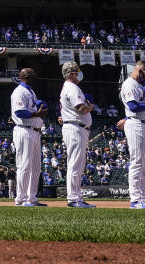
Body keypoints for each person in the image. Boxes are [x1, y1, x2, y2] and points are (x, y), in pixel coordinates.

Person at [119, 59, 145, 209]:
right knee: (137, 162)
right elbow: (133, 107)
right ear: (140, 70)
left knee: (143, 164)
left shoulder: (138, 85)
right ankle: (135, 199)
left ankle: (141, 198)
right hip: (137, 125)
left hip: (144, 125)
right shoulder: (129, 84)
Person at [59, 61, 95, 208]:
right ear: (72, 73)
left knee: (78, 164)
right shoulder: (72, 88)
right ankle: (74, 198)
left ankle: (76, 197)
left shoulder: (70, 87)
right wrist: (90, 107)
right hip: (75, 128)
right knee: (75, 164)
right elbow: (81, 108)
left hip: (76, 127)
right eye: (77, 71)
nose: (79, 73)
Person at [11, 67, 47, 207]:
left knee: (36, 167)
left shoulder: (30, 91)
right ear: (26, 76)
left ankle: (31, 198)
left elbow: (31, 107)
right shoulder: (20, 91)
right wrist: (37, 114)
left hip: (34, 131)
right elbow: (19, 112)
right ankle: (21, 198)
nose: (35, 77)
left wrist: (39, 107)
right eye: (33, 75)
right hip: (24, 130)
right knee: (24, 165)